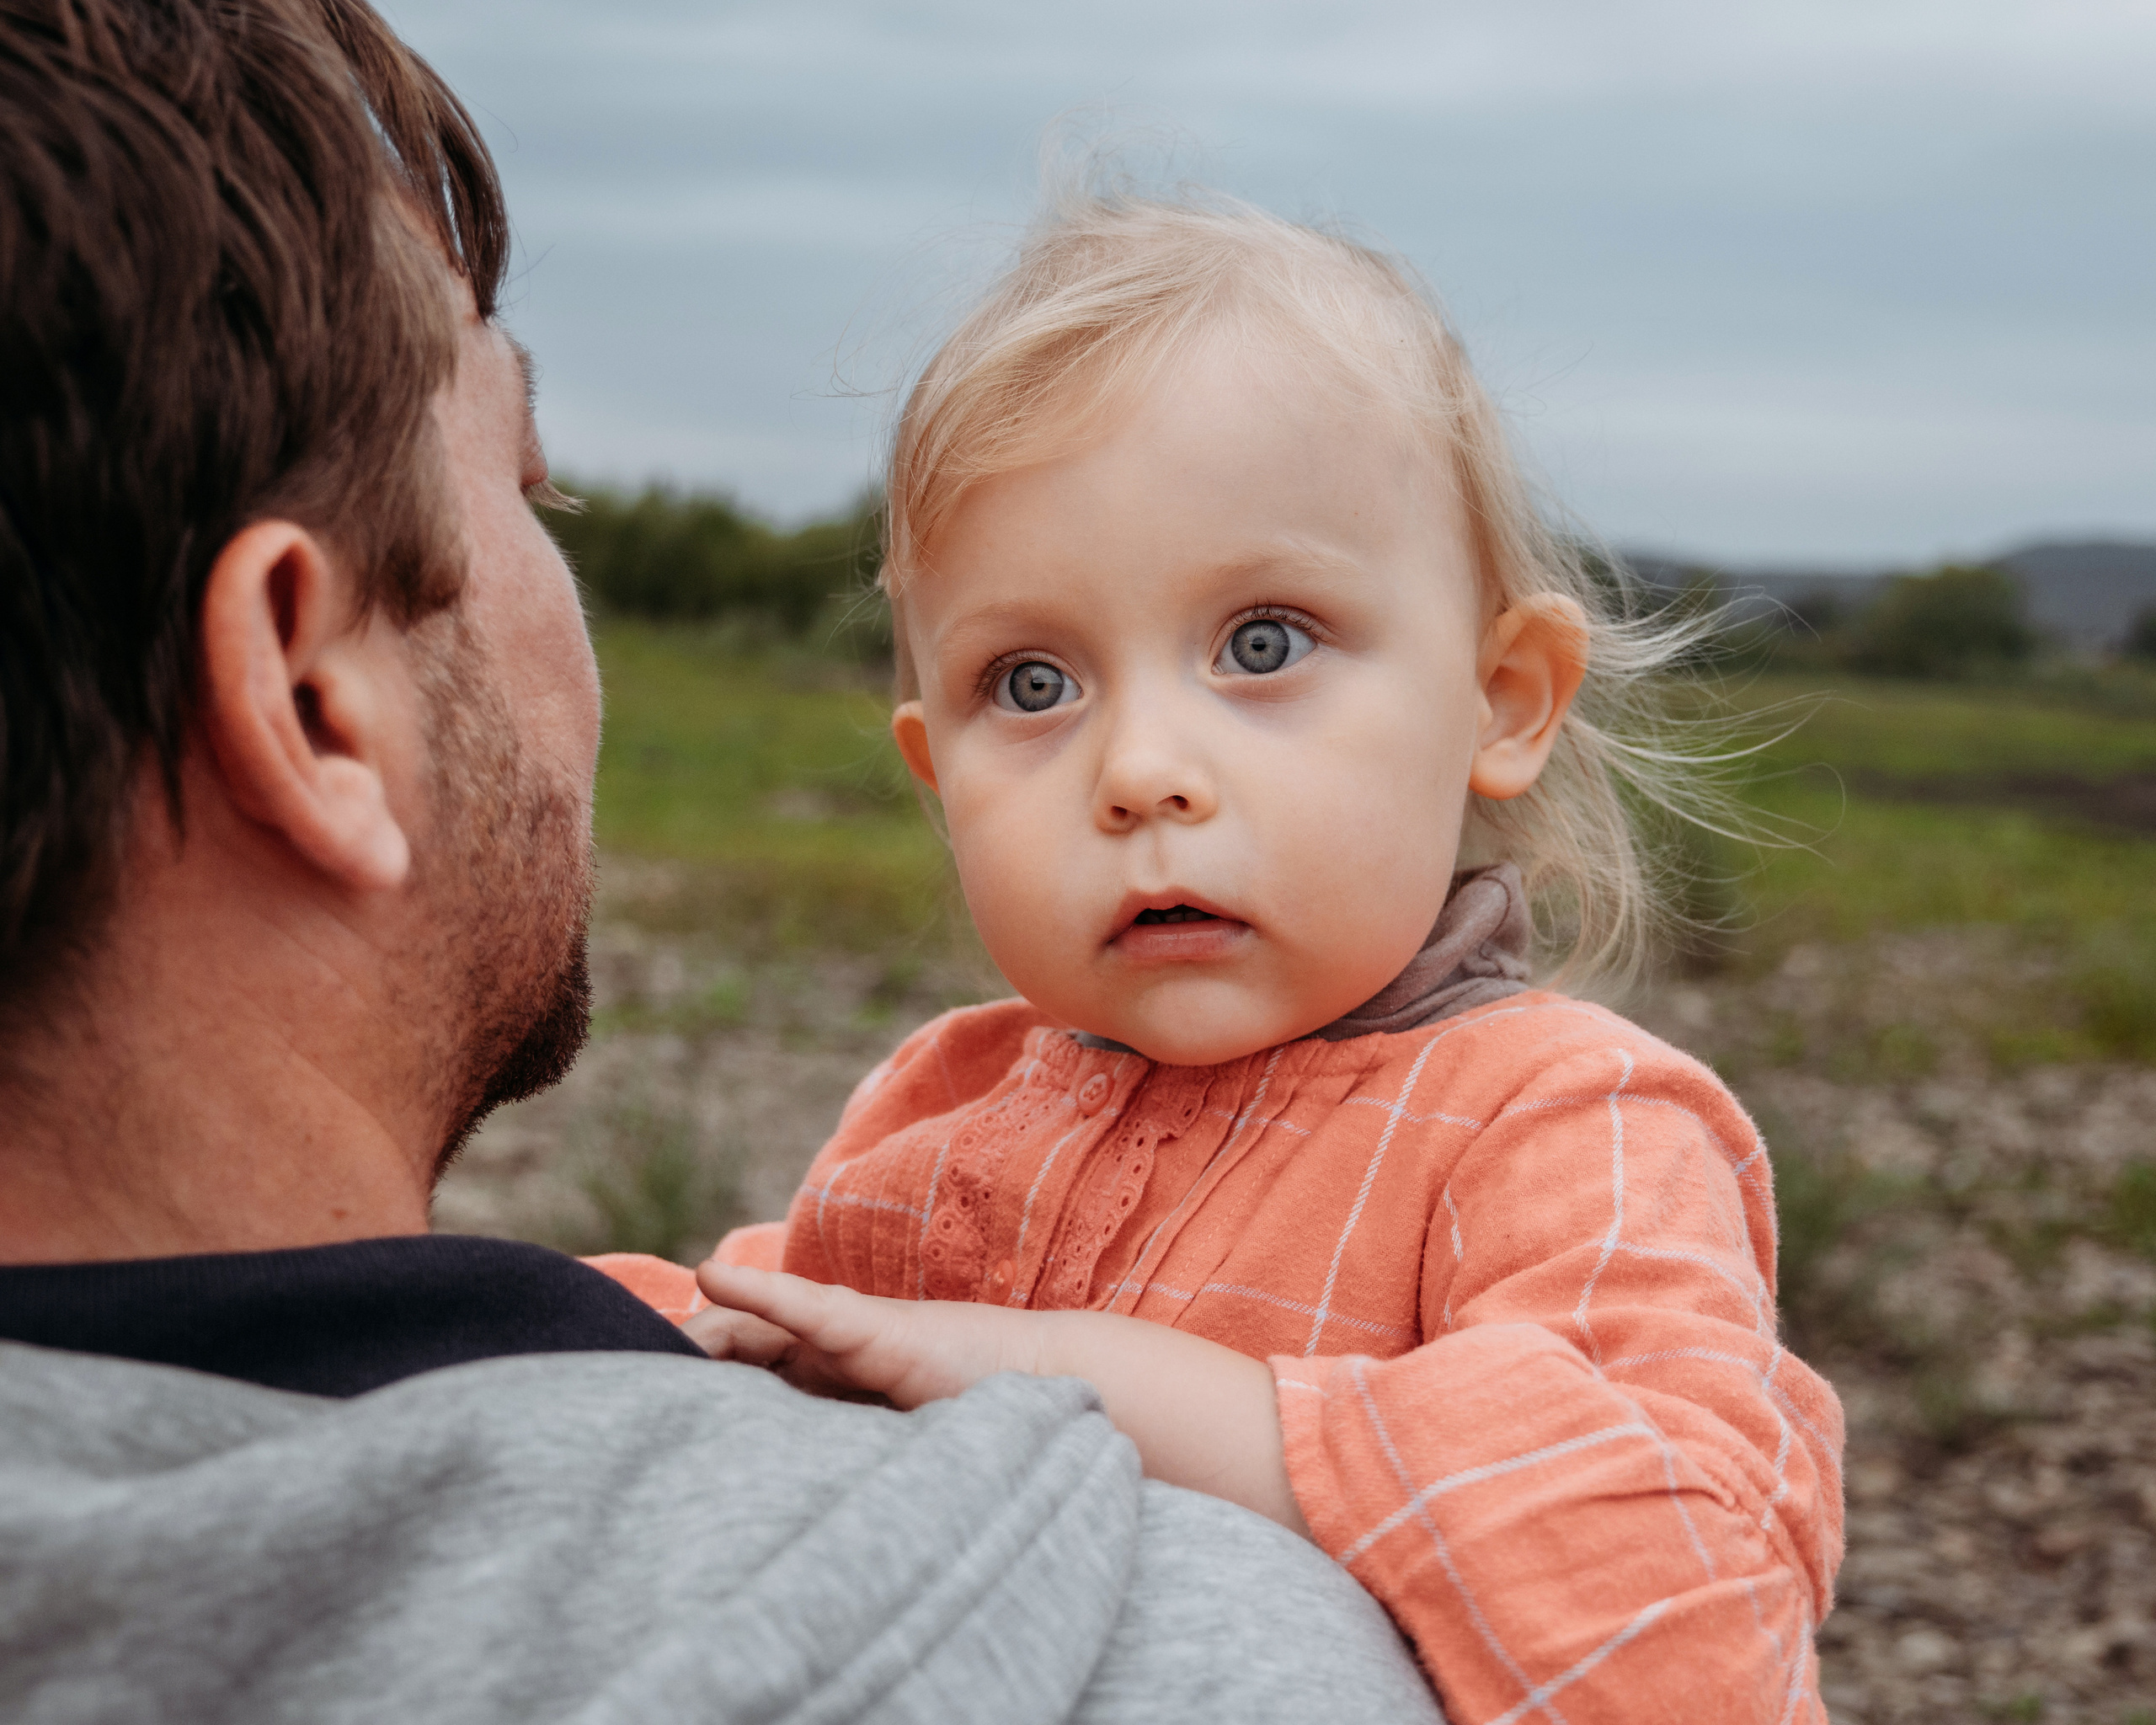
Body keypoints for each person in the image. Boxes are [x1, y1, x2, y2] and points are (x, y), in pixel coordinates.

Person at [0, 5, 1443, 1721]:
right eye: (528, 485)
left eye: (1262, 643)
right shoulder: (1164, 1652)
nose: (1142, 772)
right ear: (312, 699)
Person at [601, 193, 1849, 1723]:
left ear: (1505, 700)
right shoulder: (948, 1096)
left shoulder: (1563, 1125)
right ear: (939, 778)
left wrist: (1070, 1383)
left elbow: (1687, 1626)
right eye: (1034, 680)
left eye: (1263, 643)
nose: (1139, 770)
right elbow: (775, 1356)